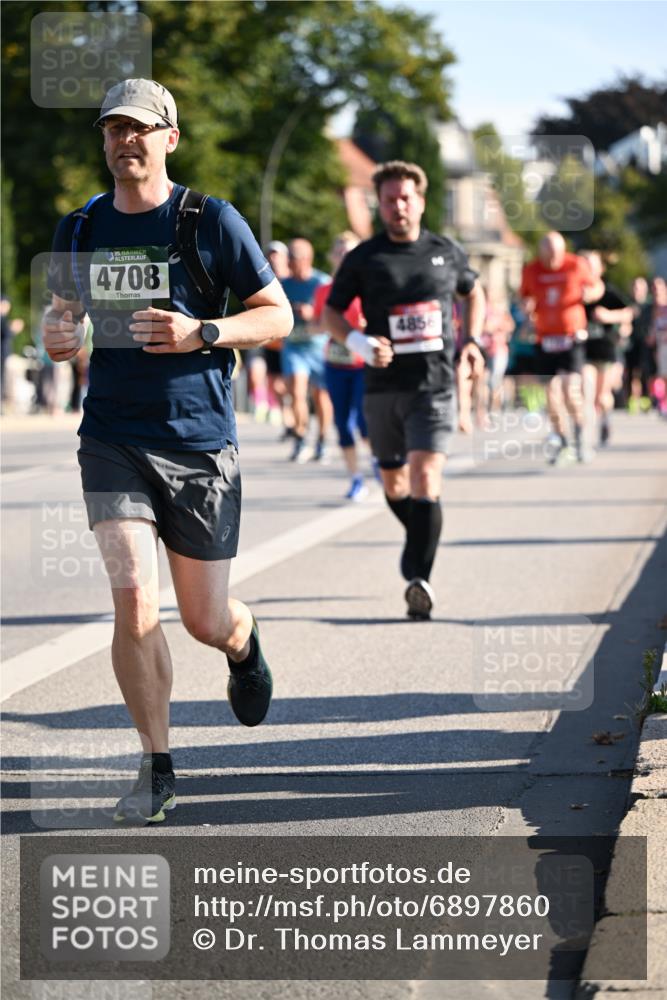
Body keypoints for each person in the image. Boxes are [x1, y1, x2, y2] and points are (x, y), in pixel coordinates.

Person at [41, 79, 293, 824]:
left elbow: (277, 316)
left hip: (198, 443)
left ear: (169, 139)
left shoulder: (211, 220)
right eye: (113, 128)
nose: (126, 140)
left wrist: (202, 332)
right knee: (133, 600)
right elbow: (63, 324)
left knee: (204, 620)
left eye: (140, 128)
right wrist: (58, 337)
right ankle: (156, 766)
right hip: (112, 437)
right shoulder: (79, 228)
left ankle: (242, 645)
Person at [323, 160, 485, 620]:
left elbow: (473, 293)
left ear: (421, 201)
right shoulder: (364, 257)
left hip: (434, 386)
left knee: (425, 478)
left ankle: (418, 578)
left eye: (406, 198)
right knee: (394, 484)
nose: (399, 206)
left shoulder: (446, 251)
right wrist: (358, 341)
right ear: (380, 205)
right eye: (390, 199)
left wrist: (472, 340)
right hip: (382, 387)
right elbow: (331, 314)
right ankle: (420, 541)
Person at [520, 232, 594, 464]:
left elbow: (597, 287)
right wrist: (526, 307)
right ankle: (563, 440)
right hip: (544, 339)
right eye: (548, 254)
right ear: (540, 252)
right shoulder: (531, 270)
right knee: (551, 393)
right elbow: (524, 297)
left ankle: (580, 436)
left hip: (571, 337)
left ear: (563, 251)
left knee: (570, 390)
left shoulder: (576, 265)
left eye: (557, 254)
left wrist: (590, 294)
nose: (553, 259)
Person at [311, 231, 371, 501]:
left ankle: (378, 462)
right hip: (335, 363)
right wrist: (327, 324)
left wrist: (363, 328)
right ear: (333, 256)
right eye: (340, 252)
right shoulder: (324, 291)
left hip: (362, 364)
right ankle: (356, 477)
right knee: (342, 424)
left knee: (364, 423)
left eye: (350, 252)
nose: (344, 257)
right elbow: (314, 327)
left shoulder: (368, 287)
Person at [281, 238, 332, 462]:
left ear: (306, 259)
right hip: (294, 347)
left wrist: (313, 314)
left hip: (318, 347)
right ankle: (301, 439)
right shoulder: (283, 284)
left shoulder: (321, 283)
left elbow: (334, 315)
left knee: (321, 396)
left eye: (292, 258)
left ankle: (322, 440)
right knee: (297, 393)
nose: (288, 263)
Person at [579, 250, 634, 445]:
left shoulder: (609, 294)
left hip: (606, 350)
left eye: (591, 266)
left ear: (600, 269)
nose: (588, 270)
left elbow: (628, 314)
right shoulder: (574, 293)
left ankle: (605, 421)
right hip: (583, 351)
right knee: (586, 391)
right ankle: (585, 433)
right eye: (584, 265)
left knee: (602, 396)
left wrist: (608, 316)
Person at [625, 276, 654, 413]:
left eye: (640, 287)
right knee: (630, 371)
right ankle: (631, 399)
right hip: (630, 342)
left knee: (644, 371)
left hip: (645, 343)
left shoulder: (650, 305)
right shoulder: (627, 304)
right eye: (635, 287)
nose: (637, 290)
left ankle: (646, 398)